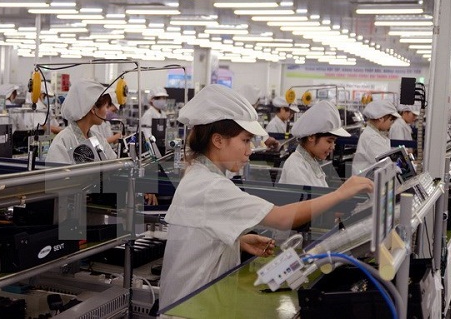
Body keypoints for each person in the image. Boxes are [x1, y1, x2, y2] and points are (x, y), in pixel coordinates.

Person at [159, 84, 373, 309]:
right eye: (245, 140)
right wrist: (341, 194)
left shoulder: (202, 175)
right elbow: (281, 218)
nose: (250, 150)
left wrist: (237, 241)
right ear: (218, 140)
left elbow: (199, 231)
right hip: (188, 307)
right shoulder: (210, 186)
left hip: (193, 300)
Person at [278, 101, 350, 187]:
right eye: (329, 141)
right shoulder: (296, 166)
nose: (333, 147)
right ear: (311, 137)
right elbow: (305, 200)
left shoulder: (310, 161)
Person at [45, 79, 117, 164]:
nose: (107, 111)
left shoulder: (98, 138)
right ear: (93, 109)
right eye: (106, 107)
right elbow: (55, 175)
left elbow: (113, 164)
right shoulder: (62, 141)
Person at [352, 99, 400, 175]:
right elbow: (386, 164)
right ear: (381, 118)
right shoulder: (371, 137)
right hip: (366, 183)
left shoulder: (375, 134)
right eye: (391, 120)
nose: (392, 123)